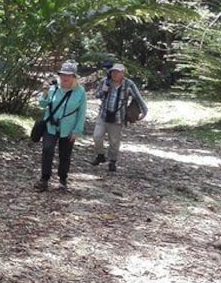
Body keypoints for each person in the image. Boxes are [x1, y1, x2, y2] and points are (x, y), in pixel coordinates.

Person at [34, 60, 87, 192]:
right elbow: (42, 104)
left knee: (65, 154)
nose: (65, 77)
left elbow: (82, 113)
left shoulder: (80, 92)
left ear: (74, 77)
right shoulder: (54, 88)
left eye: (68, 75)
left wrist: (77, 130)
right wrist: (45, 93)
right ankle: (44, 179)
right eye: (63, 74)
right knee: (47, 149)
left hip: (68, 128)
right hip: (50, 125)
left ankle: (63, 180)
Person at [91, 63, 148, 172]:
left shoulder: (128, 84)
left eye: (118, 72)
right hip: (103, 114)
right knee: (97, 136)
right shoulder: (105, 81)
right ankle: (100, 155)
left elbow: (138, 97)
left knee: (114, 141)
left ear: (123, 73)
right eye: (113, 72)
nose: (115, 74)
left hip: (118, 117)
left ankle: (112, 161)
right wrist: (103, 90)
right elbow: (96, 95)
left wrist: (144, 111)